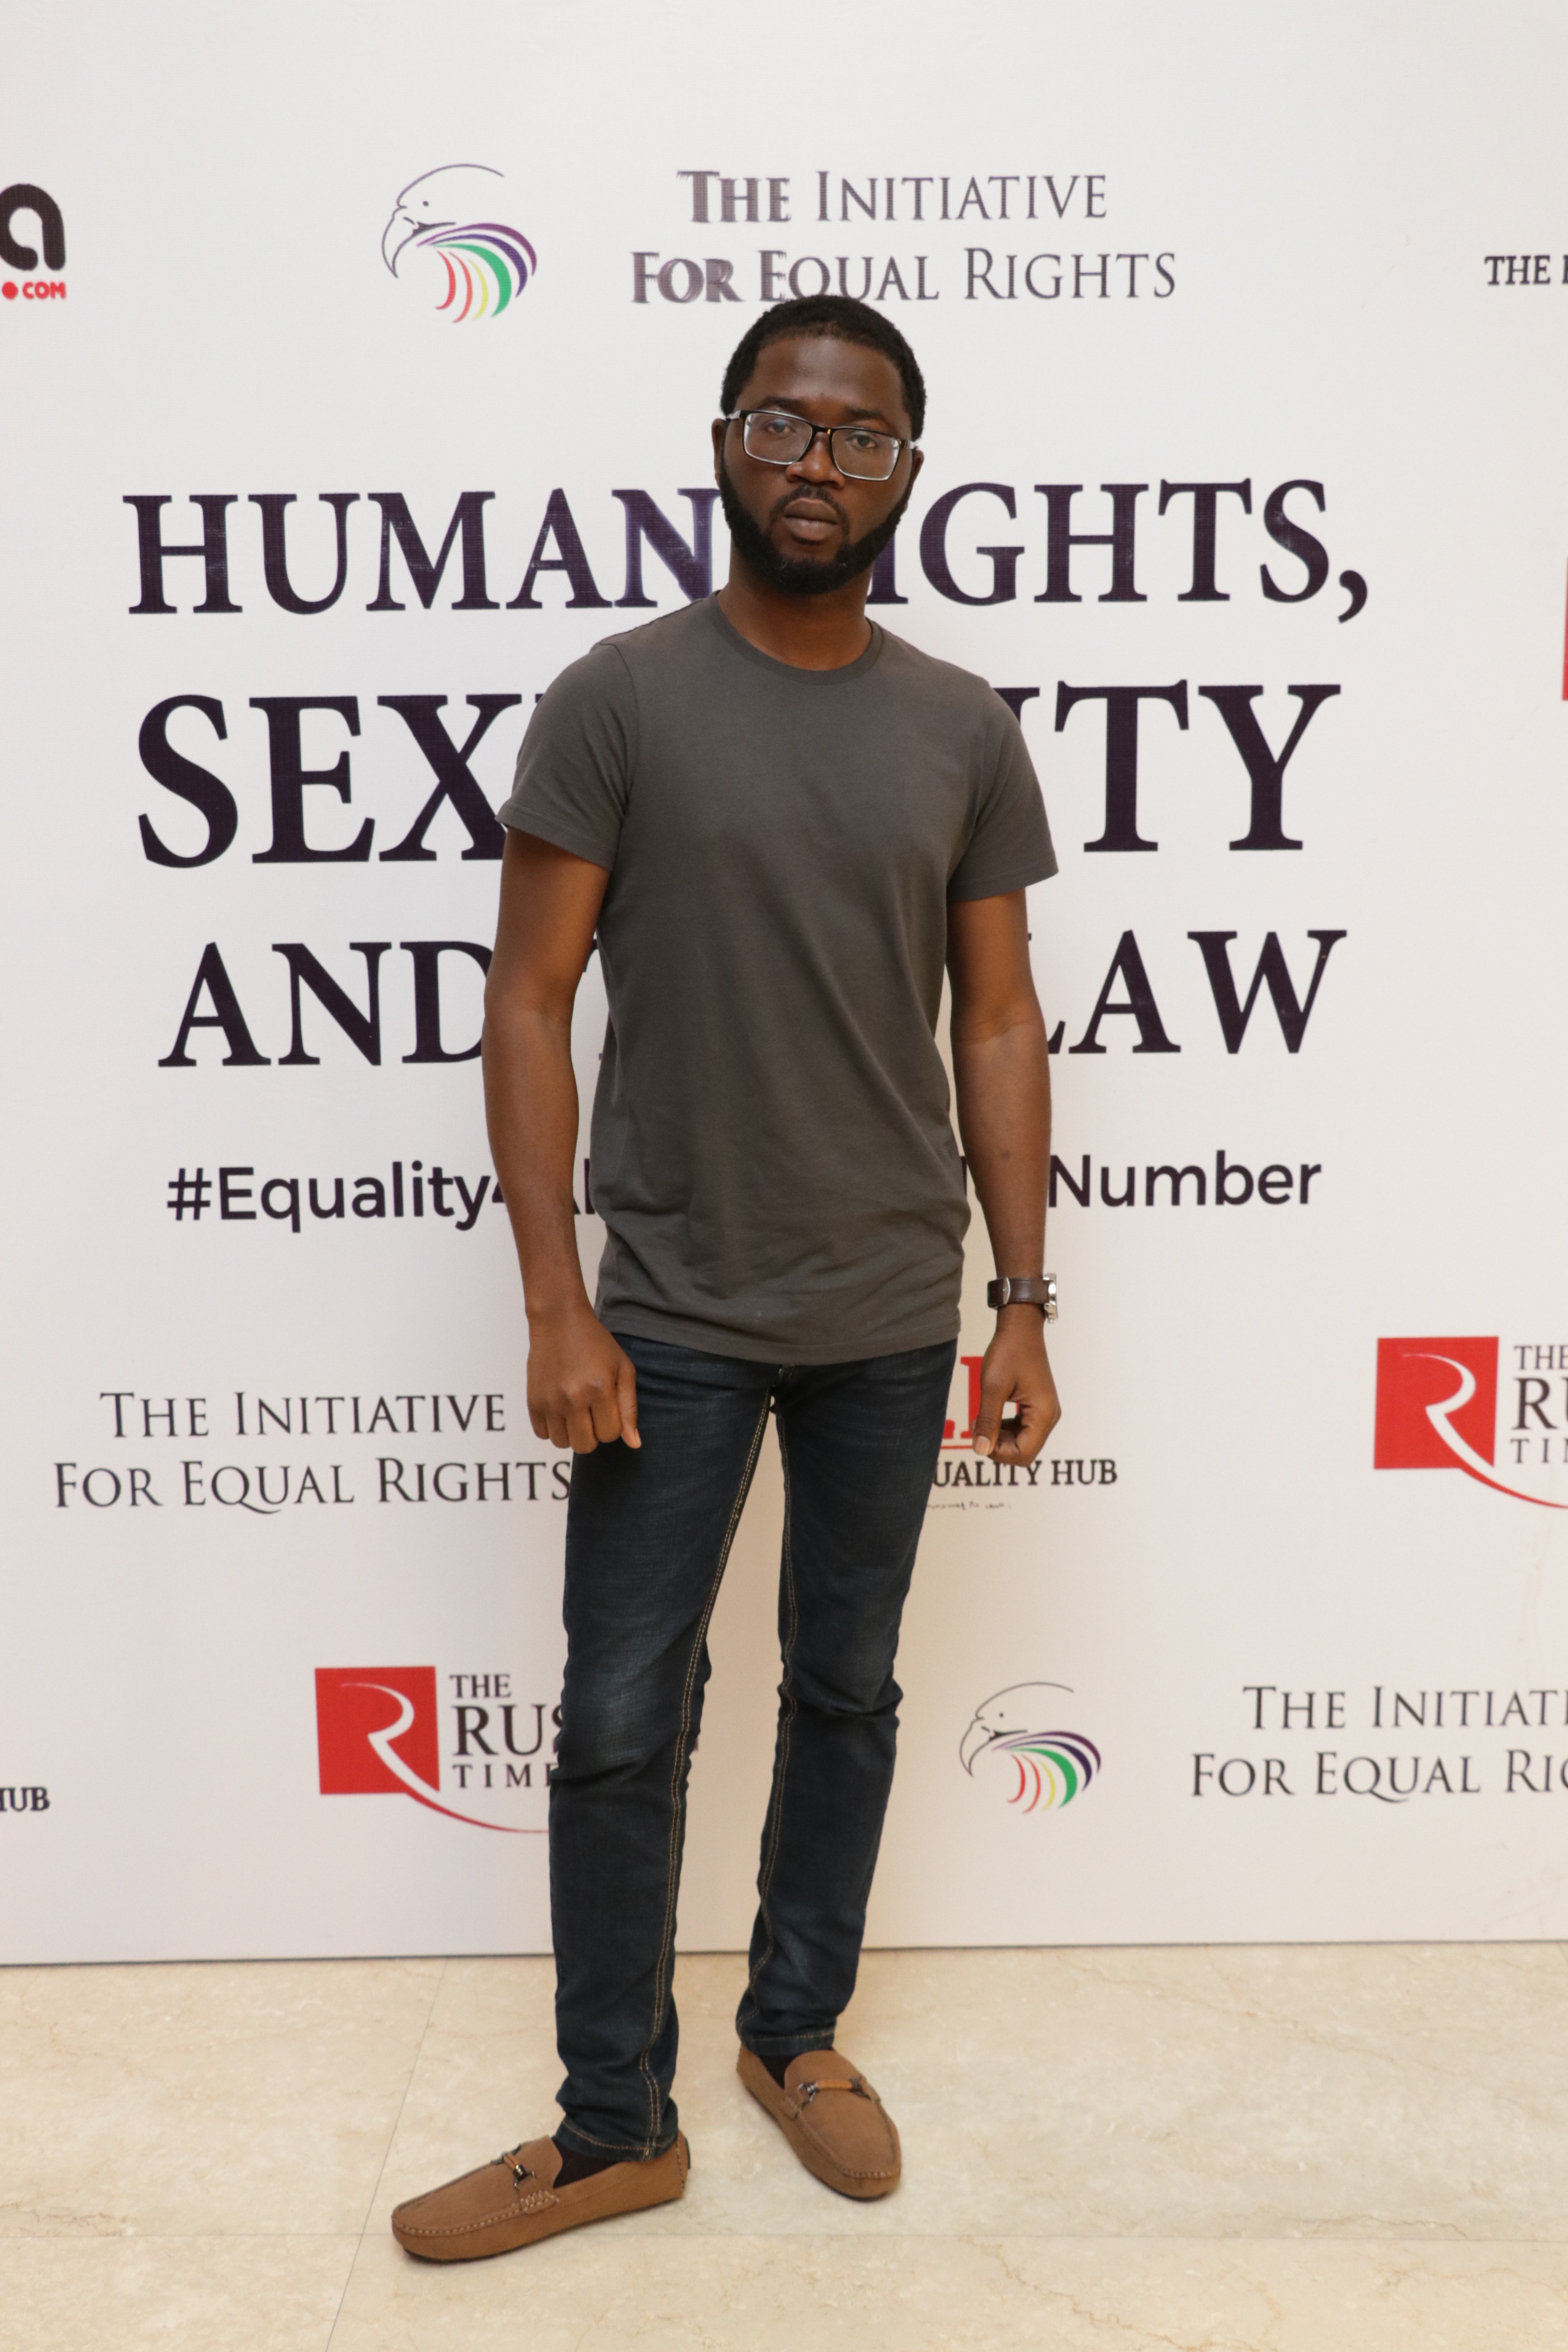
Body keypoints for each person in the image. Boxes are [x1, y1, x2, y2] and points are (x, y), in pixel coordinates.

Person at [391, 294, 1061, 2262]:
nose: (817, 462)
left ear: (907, 474)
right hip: (668, 1313)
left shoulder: (963, 727)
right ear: (723, 442)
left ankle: (794, 2035)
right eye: (783, 422)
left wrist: (1025, 1301)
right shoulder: (615, 702)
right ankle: (616, 2125)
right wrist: (556, 1300)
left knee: (845, 1691)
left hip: (890, 1311)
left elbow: (998, 1023)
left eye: (860, 435)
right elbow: (528, 999)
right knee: (621, 1714)